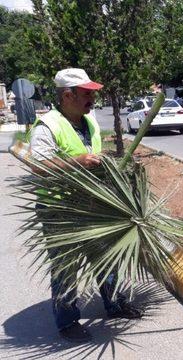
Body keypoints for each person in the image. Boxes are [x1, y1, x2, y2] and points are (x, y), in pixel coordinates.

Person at [29, 68, 143, 343]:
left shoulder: (89, 120)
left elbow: (94, 154)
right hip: (60, 209)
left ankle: (114, 304)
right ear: (67, 95)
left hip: (93, 202)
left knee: (107, 255)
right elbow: (38, 168)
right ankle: (67, 321)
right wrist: (78, 162)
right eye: (87, 93)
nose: (93, 98)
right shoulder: (48, 126)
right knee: (65, 265)